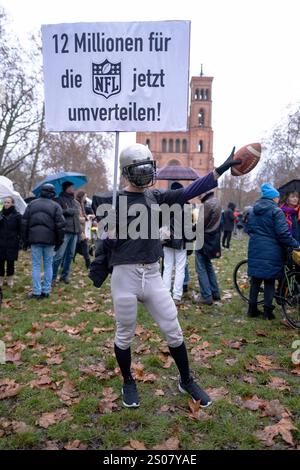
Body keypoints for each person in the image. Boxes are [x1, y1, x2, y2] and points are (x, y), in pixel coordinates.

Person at [92, 143, 240, 409]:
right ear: (127, 171)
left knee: (173, 329)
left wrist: (220, 170)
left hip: (151, 274)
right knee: (124, 333)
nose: (146, 173)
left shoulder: (154, 197)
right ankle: (128, 380)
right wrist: (109, 233)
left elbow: (189, 190)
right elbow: (105, 245)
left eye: (148, 167)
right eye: (140, 168)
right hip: (124, 276)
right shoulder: (111, 202)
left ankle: (186, 379)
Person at [247, 183, 300, 319]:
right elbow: (283, 234)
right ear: (273, 198)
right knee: (269, 280)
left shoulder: (253, 211)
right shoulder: (276, 211)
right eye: (277, 197)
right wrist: (295, 245)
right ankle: (267, 312)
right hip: (272, 250)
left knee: (256, 280)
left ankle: (252, 310)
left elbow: (248, 229)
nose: (278, 199)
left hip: (255, 248)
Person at [22, 184, 65, 299]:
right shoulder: (56, 206)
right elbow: (61, 226)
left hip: (35, 239)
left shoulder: (31, 204)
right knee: (48, 265)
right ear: (52, 193)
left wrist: (25, 241)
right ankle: (46, 291)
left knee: (36, 265)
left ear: (41, 192)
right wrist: (59, 242)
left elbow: (24, 223)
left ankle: (36, 291)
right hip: (50, 240)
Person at [162, 182, 188, 305]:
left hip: (167, 240)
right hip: (181, 240)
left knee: (167, 268)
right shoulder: (186, 206)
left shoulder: (166, 205)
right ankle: (177, 296)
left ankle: (165, 294)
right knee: (180, 269)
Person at [195, 191, 222, 305]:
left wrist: (190, 230)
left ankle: (206, 296)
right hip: (213, 238)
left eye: (199, 193)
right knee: (208, 266)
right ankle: (215, 293)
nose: (198, 195)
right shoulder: (216, 201)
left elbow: (200, 223)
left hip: (204, 239)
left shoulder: (207, 204)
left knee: (201, 267)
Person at [52, 181, 81, 284]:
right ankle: (52, 277)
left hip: (75, 231)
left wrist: (79, 232)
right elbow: (56, 213)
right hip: (65, 231)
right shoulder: (59, 199)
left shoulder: (74, 201)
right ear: (66, 188)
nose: (74, 188)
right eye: (72, 187)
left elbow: (77, 217)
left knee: (70, 255)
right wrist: (66, 211)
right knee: (59, 255)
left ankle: (64, 276)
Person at [0, 197, 22, 288]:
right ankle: (0, 279)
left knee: (10, 262)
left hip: (12, 242)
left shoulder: (17, 215)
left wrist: (20, 241)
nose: (6, 204)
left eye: (8, 202)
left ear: (12, 203)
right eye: (5, 202)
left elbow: (20, 230)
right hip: (1, 242)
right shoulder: (0, 214)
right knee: (0, 262)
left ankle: (10, 279)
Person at [75, 191, 91, 269]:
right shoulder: (76, 204)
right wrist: (85, 219)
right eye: (85, 196)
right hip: (78, 229)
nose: (85, 198)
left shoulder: (82, 204)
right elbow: (77, 218)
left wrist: (88, 217)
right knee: (84, 245)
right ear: (81, 196)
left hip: (81, 229)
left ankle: (88, 263)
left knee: (77, 247)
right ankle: (89, 264)